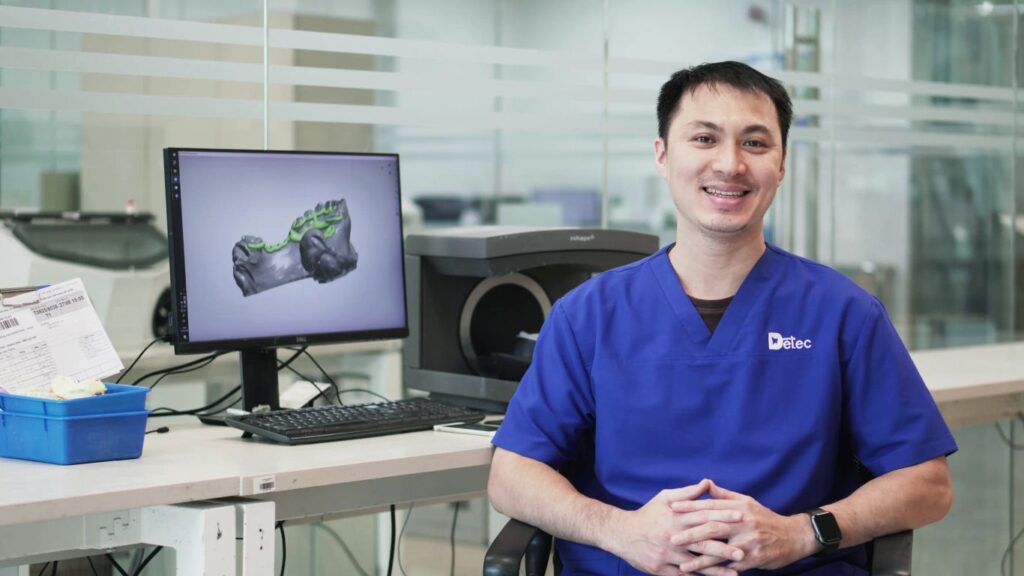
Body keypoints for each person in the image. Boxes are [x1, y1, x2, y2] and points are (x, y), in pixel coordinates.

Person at [488, 61, 956, 576]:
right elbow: (511, 475)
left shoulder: (843, 313)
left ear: (781, 166)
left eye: (755, 143)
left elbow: (927, 484)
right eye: (704, 138)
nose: (730, 164)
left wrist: (802, 531)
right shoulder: (588, 315)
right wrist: (619, 532)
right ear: (663, 155)